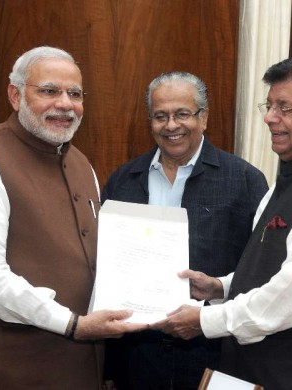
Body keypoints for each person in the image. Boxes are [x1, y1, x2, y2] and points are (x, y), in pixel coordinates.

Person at [151, 52, 292, 389]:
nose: (270, 118)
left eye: (285, 108)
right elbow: (273, 267)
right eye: (269, 106)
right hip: (262, 372)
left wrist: (206, 319)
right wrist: (221, 287)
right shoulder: (290, 175)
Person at [0, 46, 146, 389]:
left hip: (78, 373)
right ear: (15, 95)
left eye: (75, 94)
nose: (65, 104)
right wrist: (71, 324)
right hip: (0, 375)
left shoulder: (82, 164)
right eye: (49, 91)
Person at [102, 71, 268, 389]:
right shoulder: (123, 181)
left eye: (182, 114)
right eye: (160, 116)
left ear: (203, 117)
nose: (171, 126)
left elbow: (262, 271)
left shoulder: (245, 181)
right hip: (137, 355)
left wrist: (219, 290)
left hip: (215, 353)